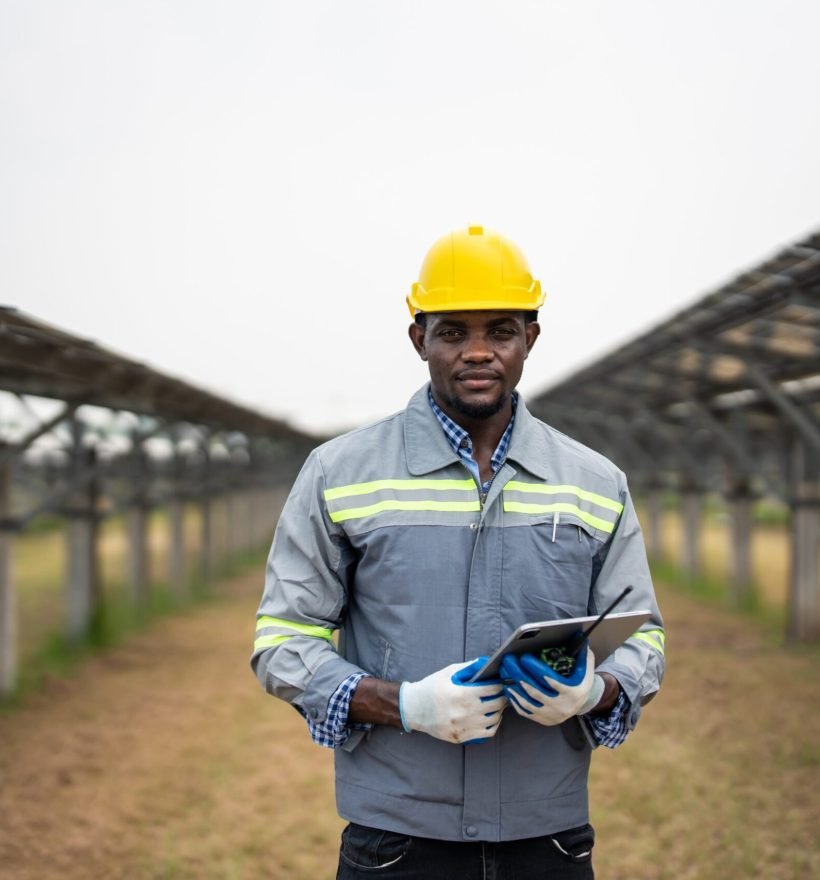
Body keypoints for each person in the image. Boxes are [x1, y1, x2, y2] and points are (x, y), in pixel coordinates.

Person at [251, 225, 665, 879]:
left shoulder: (595, 482)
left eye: (500, 330)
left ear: (530, 337)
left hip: (548, 838)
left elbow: (643, 634)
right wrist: (402, 704)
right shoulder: (339, 472)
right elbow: (283, 637)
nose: (477, 352)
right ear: (419, 339)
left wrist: (596, 691)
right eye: (452, 332)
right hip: (396, 841)